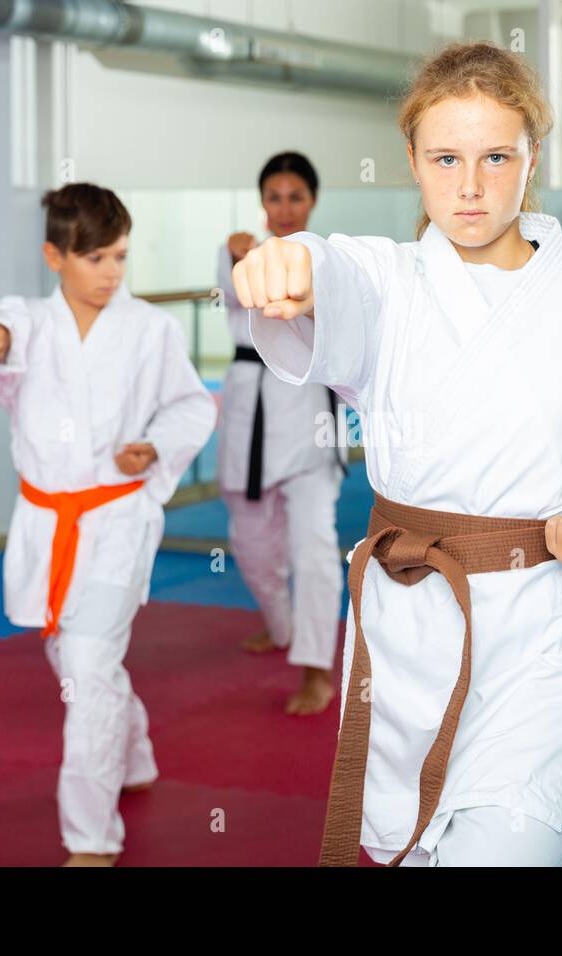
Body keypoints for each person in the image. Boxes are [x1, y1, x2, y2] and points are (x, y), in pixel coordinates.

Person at [233, 41, 562, 866]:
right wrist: (292, 258)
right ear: (413, 162)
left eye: (497, 156)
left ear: (532, 157)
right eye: (445, 157)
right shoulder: (388, 282)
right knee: (410, 849)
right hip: (408, 625)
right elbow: (331, 267)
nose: (470, 184)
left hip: (543, 633)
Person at [0, 183, 218, 864]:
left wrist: (156, 445)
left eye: (121, 257)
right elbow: (2, 334)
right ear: (55, 255)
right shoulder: (29, 324)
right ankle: (132, 749)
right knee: (76, 662)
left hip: (118, 515)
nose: (111, 273)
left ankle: (90, 839)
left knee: (86, 660)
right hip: (48, 524)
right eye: (96, 258)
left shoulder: (150, 328)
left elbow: (192, 408)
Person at [217, 152, 348, 716]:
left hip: (310, 419)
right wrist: (234, 257)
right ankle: (280, 623)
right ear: (263, 202)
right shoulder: (240, 254)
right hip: (251, 408)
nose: (286, 207)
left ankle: (317, 668)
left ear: (312, 201)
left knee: (314, 548)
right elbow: (231, 296)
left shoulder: (336, 260)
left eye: (296, 197)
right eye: (275, 197)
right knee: (250, 545)